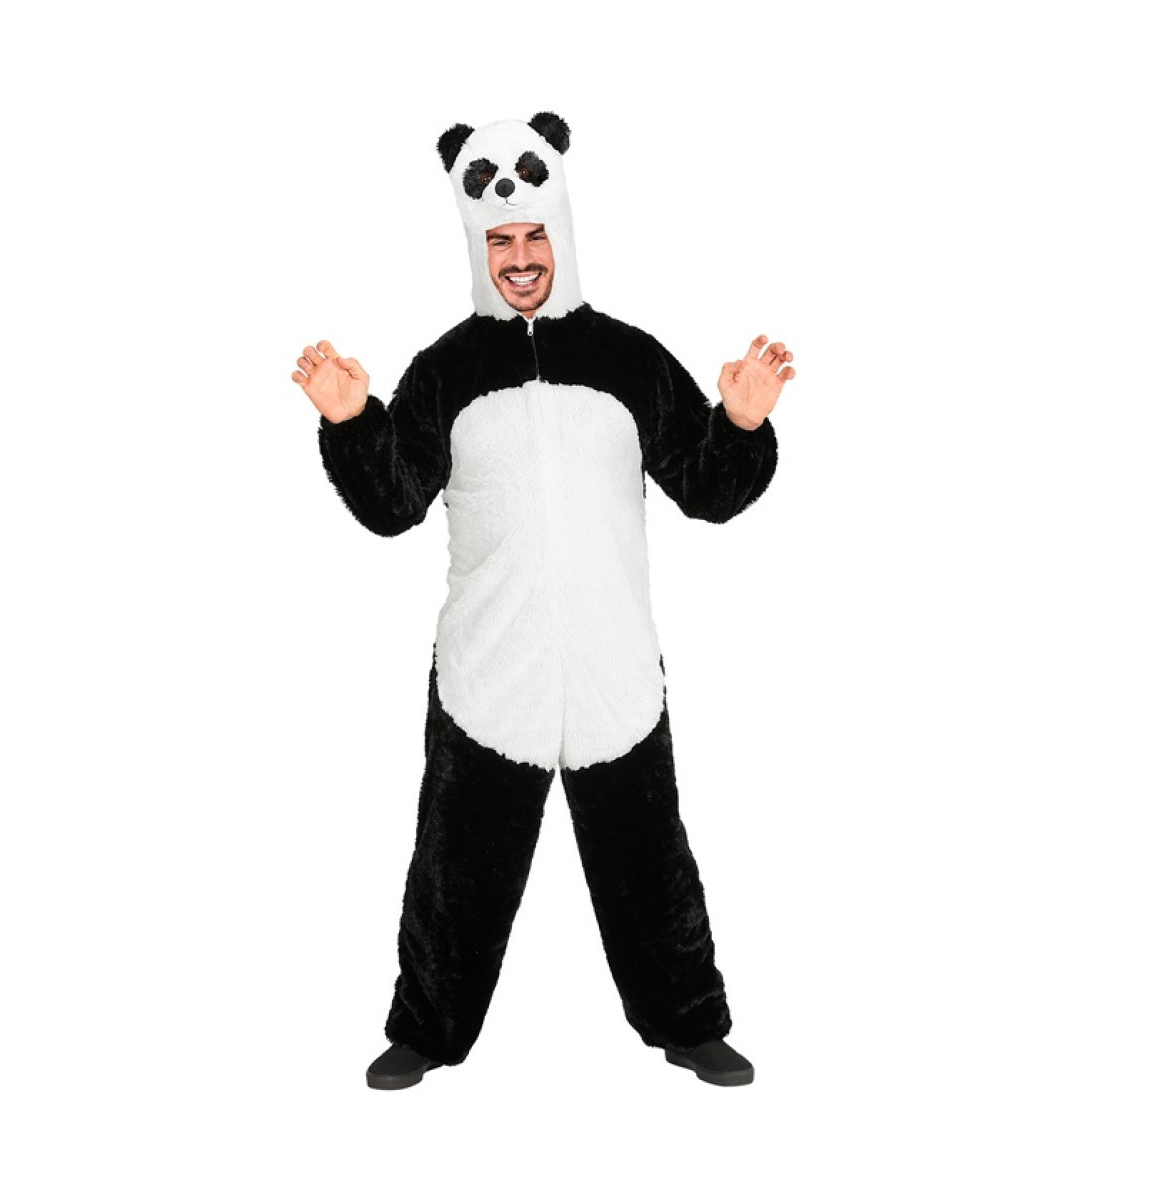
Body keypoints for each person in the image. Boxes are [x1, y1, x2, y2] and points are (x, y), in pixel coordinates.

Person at [293, 112, 794, 1089]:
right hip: (488, 677)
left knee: (651, 864)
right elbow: (393, 506)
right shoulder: (445, 371)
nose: (520, 258)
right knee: (453, 871)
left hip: (613, 670)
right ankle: (426, 1031)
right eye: (500, 242)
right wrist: (352, 422)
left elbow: (708, 491)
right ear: (478, 247)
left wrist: (737, 423)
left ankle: (688, 1024)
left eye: (533, 236)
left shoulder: (629, 361)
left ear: (560, 231)